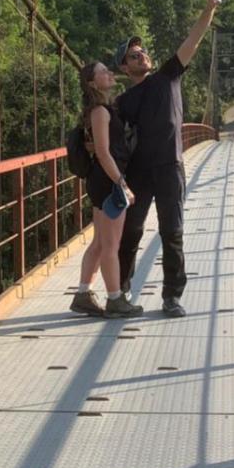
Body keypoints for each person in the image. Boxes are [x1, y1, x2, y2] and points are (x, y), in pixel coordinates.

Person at [114, 0, 222, 317]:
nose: (141, 56)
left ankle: (171, 297)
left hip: (170, 168)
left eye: (143, 52)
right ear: (124, 67)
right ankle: (120, 292)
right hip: (138, 172)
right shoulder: (122, 103)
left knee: (172, 232)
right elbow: (110, 141)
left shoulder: (167, 77)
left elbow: (194, 41)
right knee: (130, 232)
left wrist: (210, 8)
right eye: (134, 55)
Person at [69, 60, 145, 319]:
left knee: (101, 243)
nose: (110, 73)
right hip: (108, 181)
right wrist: (122, 184)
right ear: (92, 82)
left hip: (100, 181)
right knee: (112, 245)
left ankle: (83, 295)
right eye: (103, 71)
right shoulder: (100, 111)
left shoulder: (101, 109)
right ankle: (115, 299)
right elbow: (103, 152)